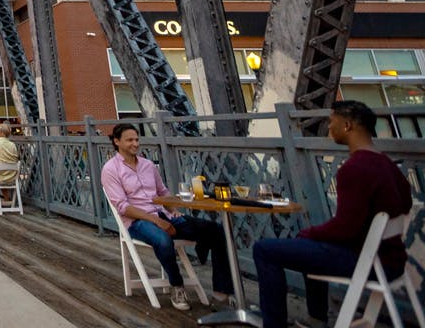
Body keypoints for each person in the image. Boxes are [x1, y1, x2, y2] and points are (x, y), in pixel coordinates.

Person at [252, 101, 412, 328]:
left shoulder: (353, 169)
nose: (328, 128)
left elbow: (345, 228)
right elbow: (405, 204)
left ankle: (277, 324)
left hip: (365, 261)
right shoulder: (386, 163)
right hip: (391, 259)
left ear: (347, 125)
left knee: (265, 250)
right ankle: (315, 319)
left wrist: (309, 233)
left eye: (331, 122)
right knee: (310, 244)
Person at [101, 123, 232, 311]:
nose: (135, 144)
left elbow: (163, 193)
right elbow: (123, 207)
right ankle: (177, 285)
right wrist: (156, 220)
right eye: (129, 140)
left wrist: (173, 210)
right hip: (137, 222)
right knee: (163, 240)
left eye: (137, 139)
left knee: (215, 230)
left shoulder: (147, 165)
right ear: (117, 141)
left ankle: (222, 291)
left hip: (163, 214)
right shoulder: (110, 169)